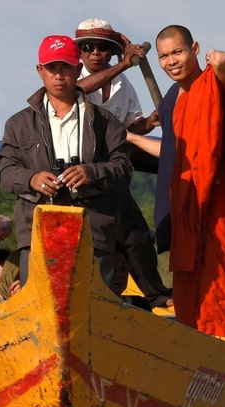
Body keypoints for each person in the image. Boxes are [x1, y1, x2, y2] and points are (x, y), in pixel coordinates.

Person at [153, 24, 225, 349]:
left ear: (195, 48)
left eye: (177, 51)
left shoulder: (210, 84)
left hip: (220, 214)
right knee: (195, 296)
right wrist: (134, 138)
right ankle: (202, 358)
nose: (170, 61)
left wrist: (221, 59)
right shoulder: (178, 103)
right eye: (164, 56)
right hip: (190, 217)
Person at [0, 34, 132, 290]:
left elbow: (124, 169)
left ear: (78, 69)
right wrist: (32, 179)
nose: (58, 75)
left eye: (66, 67)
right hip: (38, 234)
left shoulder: (105, 121)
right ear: (40, 71)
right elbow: (5, 174)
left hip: (93, 234)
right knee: (39, 310)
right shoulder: (18, 124)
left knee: (92, 310)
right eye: (51, 68)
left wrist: (90, 173)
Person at [73, 18, 172, 308]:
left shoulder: (122, 83)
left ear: (111, 51)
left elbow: (130, 128)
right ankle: (90, 299)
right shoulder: (71, 77)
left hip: (113, 174)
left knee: (138, 237)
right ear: (79, 52)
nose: (94, 53)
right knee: (93, 244)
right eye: (88, 47)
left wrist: (151, 122)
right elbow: (76, 93)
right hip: (82, 178)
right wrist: (124, 63)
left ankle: (156, 295)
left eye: (102, 48)